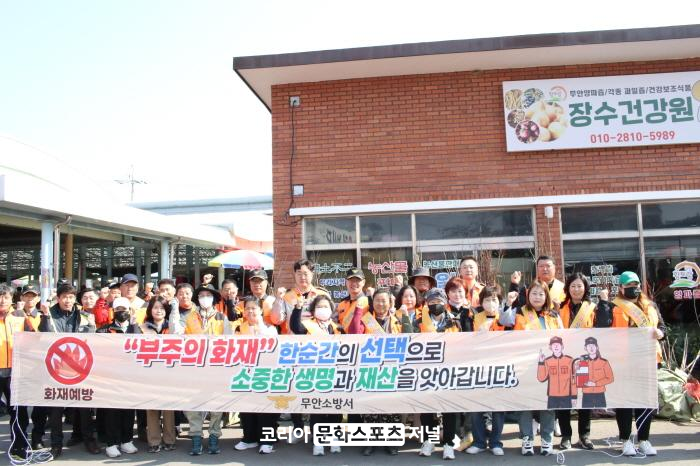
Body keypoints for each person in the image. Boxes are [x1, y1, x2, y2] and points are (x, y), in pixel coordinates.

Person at [36, 284, 99, 458]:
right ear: (58, 298)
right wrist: (45, 316)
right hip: (56, 369)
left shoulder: (83, 315)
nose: (67, 300)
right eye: (64, 297)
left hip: (79, 368)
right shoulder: (49, 313)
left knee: (84, 408)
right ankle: (56, 444)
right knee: (56, 410)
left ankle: (89, 440)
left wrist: (92, 325)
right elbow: (43, 334)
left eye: (71, 297)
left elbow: (91, 338)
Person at [505, 280, 563, 456]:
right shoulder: (519, 313)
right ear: (528, 295)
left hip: (549, 366)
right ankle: (527, 439)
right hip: (524, 366)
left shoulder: (553, 316)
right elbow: (504, 322)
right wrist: (508, 304)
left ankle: (547, 440)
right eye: (534, 293)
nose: (537, 297)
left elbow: (562, 338)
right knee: (525, 405)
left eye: (541, 294)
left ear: (546, 296)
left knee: (548, 405)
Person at [556, 273, 612, 449]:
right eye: (572, 286)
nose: (576, 289)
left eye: (579, 286)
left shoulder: (592, 307)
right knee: (563, 398)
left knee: (585, 397)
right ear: (567, 288)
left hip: (584, 360)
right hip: (564, 360)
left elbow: (604, 325)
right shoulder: (560, 308)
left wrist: (604, 302)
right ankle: (565, 436)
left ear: (586, 288)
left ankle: (584, 436)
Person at [611, 271, 664, 457]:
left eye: (636, 285)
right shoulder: (614, 306)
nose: (633, 288)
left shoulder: (650, 305)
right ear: (621, 288)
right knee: (625, 402)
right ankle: (626, 440)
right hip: (624, 361)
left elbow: (662, 327)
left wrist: (661, 333)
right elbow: (604, 328)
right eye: (629, 286)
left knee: (645, 401)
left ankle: (644, 440)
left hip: (647, 360)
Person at [289, 294, 343, 455]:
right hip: (314, 374)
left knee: (335, 408)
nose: (323, 309)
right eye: (319, 307)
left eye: (326, 306)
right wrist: (298, 308)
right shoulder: (308, 325)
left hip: (334, 373)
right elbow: (295, 327)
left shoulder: (337, 328)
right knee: (317, 408)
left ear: (331, 310)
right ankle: (318, 440)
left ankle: (334, 437)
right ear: (313, 310)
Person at [414, 288, 461, 460]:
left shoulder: (455, 321)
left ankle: (448, 443)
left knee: (449, 409)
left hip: (449, 370)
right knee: (427, 409)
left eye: (439, 302)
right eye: (432, 302)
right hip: (425, 370)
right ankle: (429, 441)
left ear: (445, 303)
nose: (435, 305)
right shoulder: (418, 322)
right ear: (427, 304)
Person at [184, 284, 230, 455]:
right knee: (192, 403)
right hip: (194, 367)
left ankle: (214, 436)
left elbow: (229, 342)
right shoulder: (190, 317)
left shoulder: (222, 317)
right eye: (201, 295)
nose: (205, 298)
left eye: (208, 295)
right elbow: (182, 339)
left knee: (216, 403)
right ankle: (196, 436)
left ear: (214, 299)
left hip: (216, 367)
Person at [232, 297, 279, 454]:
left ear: (260, 310)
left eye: (254, 308)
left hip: (265, 373)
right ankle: (249, 438)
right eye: (248, 308)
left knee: (265, 409)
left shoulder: (270, 328)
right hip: (245, 372)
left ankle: (267, 441)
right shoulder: (239, 328)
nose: (250, 311)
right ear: (244, 312)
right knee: (246, 408)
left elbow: (274, 350)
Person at [96, 297, 140, 458]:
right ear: (113, 311)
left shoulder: (135, 328)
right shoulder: (103, 331)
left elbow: (140, 345)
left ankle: (126, 440)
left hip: (130, 377)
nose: (122, 312)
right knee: (111, 412)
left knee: (128, 411)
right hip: (110, 378)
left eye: (125, 309)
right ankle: (111, 443)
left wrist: (134, 325)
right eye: (119, 309)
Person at [467, 286, 506, 456]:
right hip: (478, 367)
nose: (491, 303)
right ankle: (479, 441)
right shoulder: (474, 318)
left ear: (500, 301)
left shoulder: (505, 318)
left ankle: (496, 442)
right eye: (487, 300)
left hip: (500, 367)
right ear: (481, 302)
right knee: (476, 407)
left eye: (494, 300)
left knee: (498, 408)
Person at [138, 296, 176, 453]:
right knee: (152, 408)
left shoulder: (172, 327)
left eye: (162, 307)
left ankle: (169, 439)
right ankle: (154, 441)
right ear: (150, 310)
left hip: (169, 373)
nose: (158, 310)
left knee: (169, 409)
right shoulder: (142, 328)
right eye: (155, 307)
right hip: (149, 373)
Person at [0, 284, 34, 460]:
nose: (2, 300)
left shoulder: (20, 316)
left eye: (6, 297)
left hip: (15, 370)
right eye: (0, 297)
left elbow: (33, 338)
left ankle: (19, 446)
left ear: (11, 298)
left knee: (18, 411)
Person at [336, 268, 371, 332]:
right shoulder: (341, 304)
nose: (354, 283)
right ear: (346, 282)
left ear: (363, 282)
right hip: (343, 338)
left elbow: (373, 328)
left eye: (357, 280)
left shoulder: (369, 302)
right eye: (351, 280)